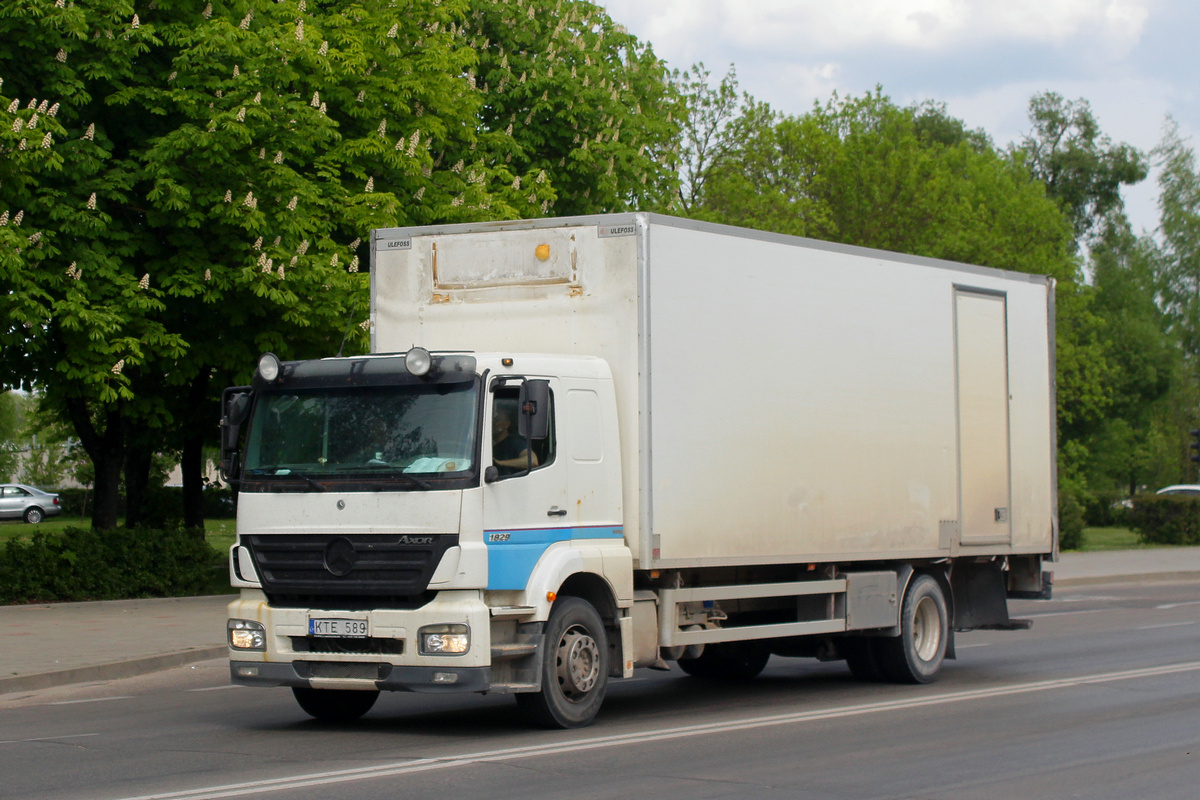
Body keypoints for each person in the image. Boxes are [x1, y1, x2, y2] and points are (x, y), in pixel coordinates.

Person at [492, 401, 538, 473]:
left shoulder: (514, 442)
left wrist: (500, 463)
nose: (493, 423)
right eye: (492, 421)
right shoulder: (491, 446)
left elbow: (532, 461)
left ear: (507, 424)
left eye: (497, 420)